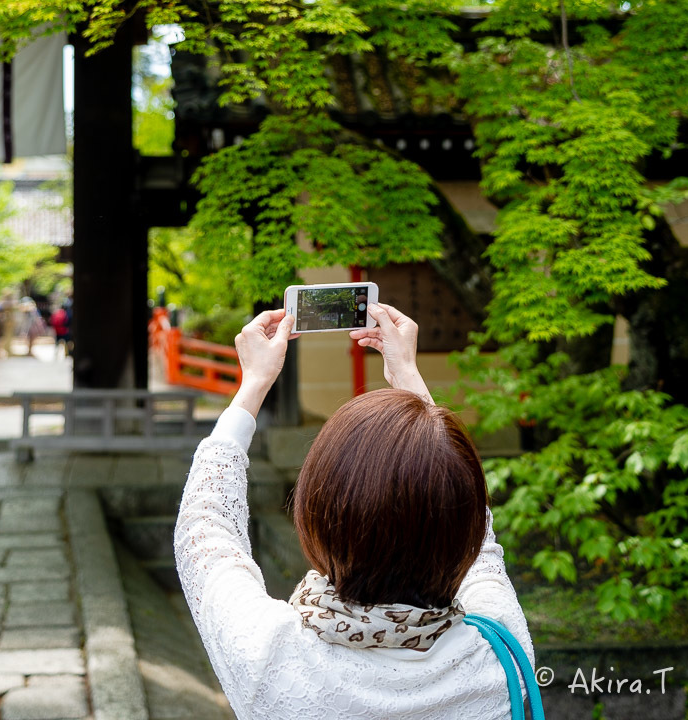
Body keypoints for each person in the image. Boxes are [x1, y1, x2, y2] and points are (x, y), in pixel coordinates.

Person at [174, 302, 533, 720]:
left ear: (315, 512)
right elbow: (471, 523)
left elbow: (204, 528)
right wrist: (410, 382)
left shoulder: (270, 660)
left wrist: (253, 383)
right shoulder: (502, 654)